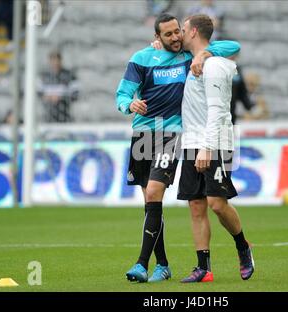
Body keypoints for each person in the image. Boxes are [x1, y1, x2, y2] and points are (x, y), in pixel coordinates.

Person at [116, 13, 240, 283]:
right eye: (169, 34)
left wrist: (203, 53)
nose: (175, 37)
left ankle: (140, 264)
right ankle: (162, 264)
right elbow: (123, 92)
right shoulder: (142, 58)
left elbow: (232, 47)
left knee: (153, 190)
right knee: (150, 202)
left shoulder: (188, 58)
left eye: (178, 32)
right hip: (143, 134)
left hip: (172, 133)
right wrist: (129, 104)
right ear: (157, 37)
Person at [177, 14, 254, 282]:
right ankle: (203, 268)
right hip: (190, 142)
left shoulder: (214, 66)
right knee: (196, 206)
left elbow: (218, 110)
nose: (179, 33)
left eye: (183, 29)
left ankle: (243, 247)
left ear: (194, 31)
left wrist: (207, 148)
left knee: (217, 204)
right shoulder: (190, 60)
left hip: (215, 143)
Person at [38, 51, 79, 123]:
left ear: (61, 61)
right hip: (48, 117)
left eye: (57, 61)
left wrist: (60, 97)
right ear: (49, 61)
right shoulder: (43, 76)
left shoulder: (69, 75)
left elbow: (75, 94)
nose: (55, 63)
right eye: (53, 61)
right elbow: (38, 93)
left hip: (65, 115)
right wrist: (48, 97)